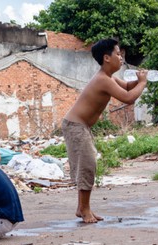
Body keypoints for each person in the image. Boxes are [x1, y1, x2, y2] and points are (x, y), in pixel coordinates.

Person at [63, 38, 147, 223]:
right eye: (118, 54)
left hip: (80, 126)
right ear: (106, 58)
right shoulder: (103, 80)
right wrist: (142, 83)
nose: (121, 57)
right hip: (75, 126)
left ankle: (82, 208)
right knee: (87, 165)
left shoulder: (109, 78)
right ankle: (84, 210)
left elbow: (125, 87)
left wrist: (138, 79)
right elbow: (128, 98)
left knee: (88, 164)